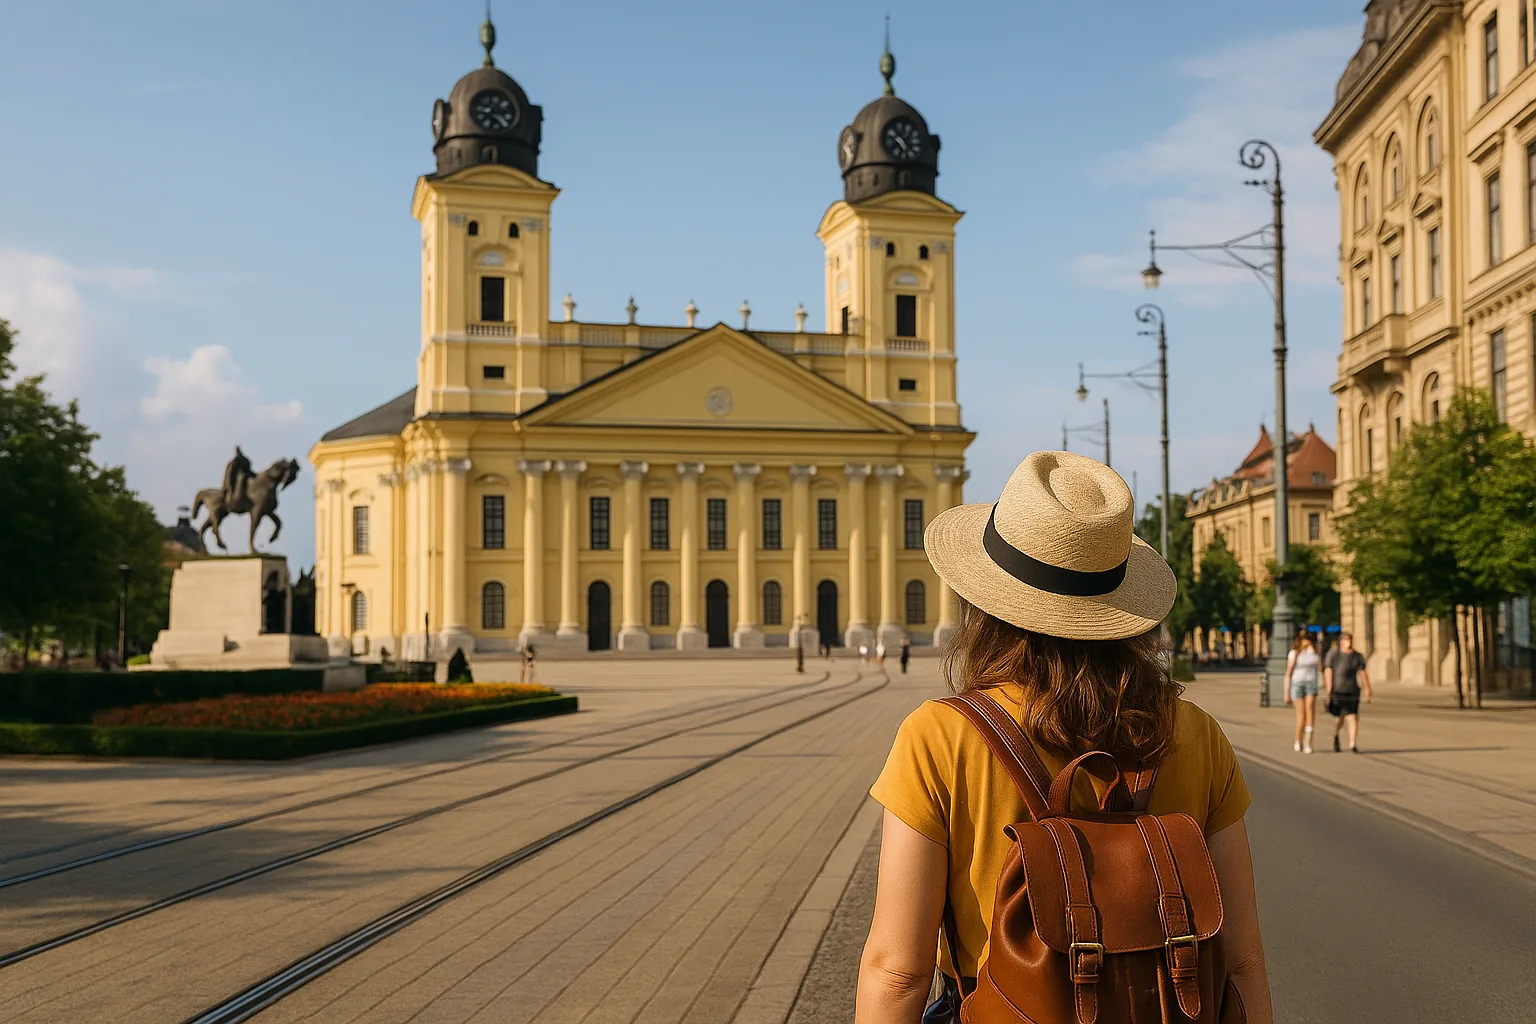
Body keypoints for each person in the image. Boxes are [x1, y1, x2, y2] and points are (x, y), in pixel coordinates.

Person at [856, 451, 1272, 1023]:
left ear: (989, 602)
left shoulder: (940, 737)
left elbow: (898, 972)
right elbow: (1243, 959)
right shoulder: (1194, 734)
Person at [1324, 631, 1372, 752]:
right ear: (1341, 642)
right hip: (1338, 690)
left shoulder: (1357, 656)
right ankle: (1335, 734)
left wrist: (1368, 688)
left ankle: (1353, 743)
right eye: (1346, 641)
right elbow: (1328, 670)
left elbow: (1362, 672)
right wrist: (1329, 688)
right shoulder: (1334, 654)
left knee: (1352, 716)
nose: (1349, 643)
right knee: (1339, 718)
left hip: (1352, 690)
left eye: (1350, 640)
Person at [1284, 631, 1322, 753]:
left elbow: (1319, 667)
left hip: (1311, 683)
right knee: (1301, 714)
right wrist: (1286, 692)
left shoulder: (1314, 653)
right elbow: (1288, 673)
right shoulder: (1294, 653)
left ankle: (1308, 742)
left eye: (1309, 640)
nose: (1307, 642)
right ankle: (1298, 739)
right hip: (1297, 684)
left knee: (1310, 711)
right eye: (1305, 639)